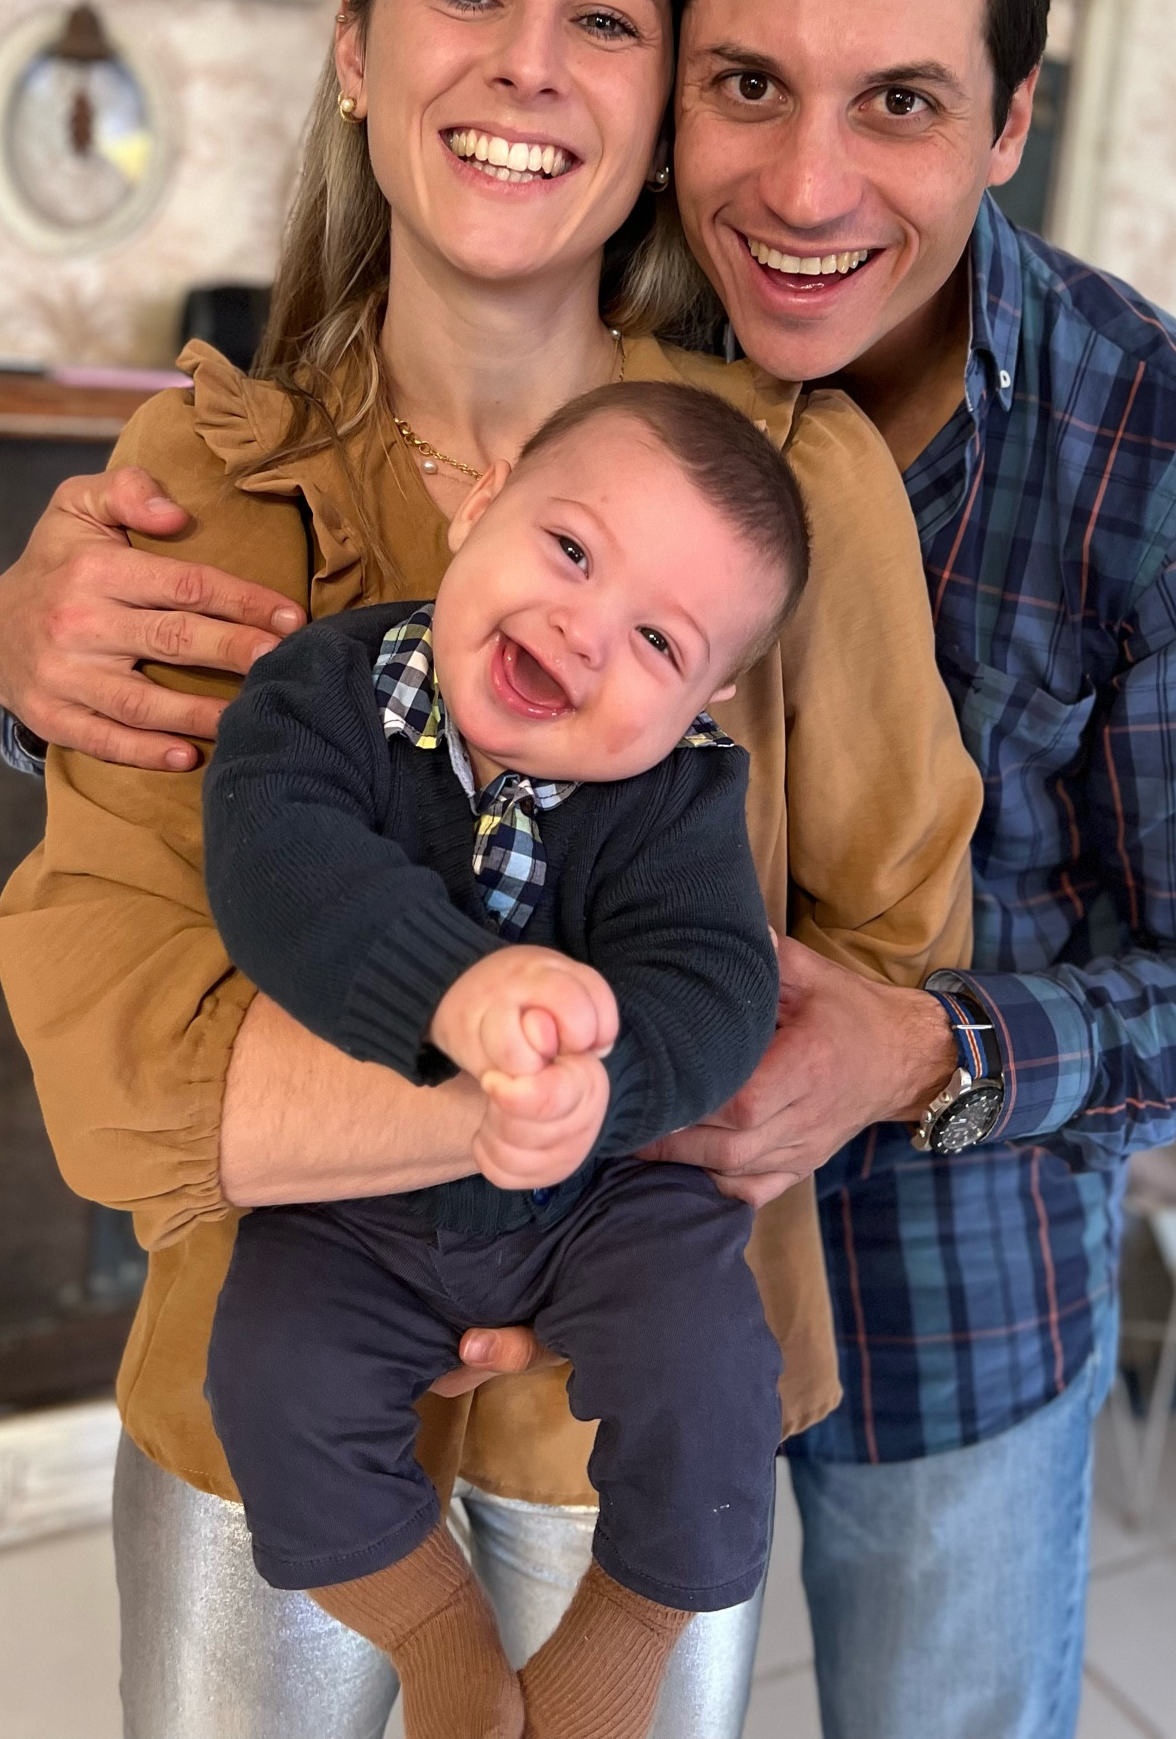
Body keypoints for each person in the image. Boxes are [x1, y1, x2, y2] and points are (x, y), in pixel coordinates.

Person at [0, 0, 1176, 1739]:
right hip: (317, 1350)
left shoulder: (984, 464)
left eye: (605, 18)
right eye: (754, 85)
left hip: (859, 1300)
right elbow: (123, 1045)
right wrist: (15, 669)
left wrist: (877, 1057)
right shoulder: (234, 470)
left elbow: (1060, 943)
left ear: (1009, 121)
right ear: (355, 45)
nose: (804, 187)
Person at [205, 382, 813, 1739]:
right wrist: (459, 989)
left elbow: (720, 985)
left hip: (597, 1195)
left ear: (708, 695)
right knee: (271, 1378)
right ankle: (438, 1639)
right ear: (481, 503)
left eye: (658, 640)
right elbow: (276, 865)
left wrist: (611, 1082)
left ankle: (629, 1629)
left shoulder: (681, 794)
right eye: (571, 550)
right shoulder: (330, 695)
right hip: (352, 1203)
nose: (584, 629)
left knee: (713, 1374)